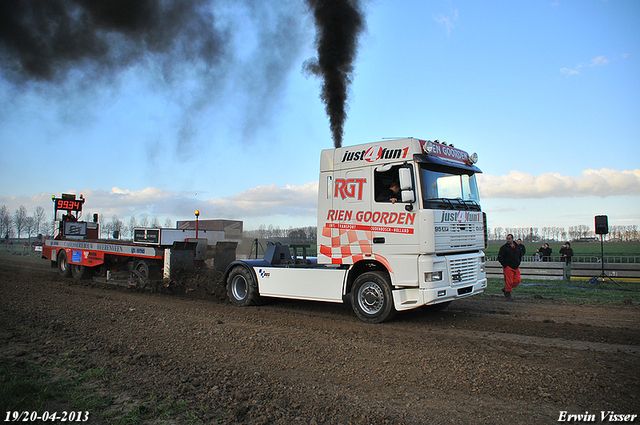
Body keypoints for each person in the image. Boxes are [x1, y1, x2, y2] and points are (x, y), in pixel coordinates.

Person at [498, 234, 522, 300]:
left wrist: (518, 262)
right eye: (507, 239)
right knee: (509, 281)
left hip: (516, 266)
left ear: (512, 239)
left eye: (509, 239)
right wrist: (505, 265)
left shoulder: (517, 247)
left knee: (517, 280)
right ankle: (508, 294)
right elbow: (500, 257)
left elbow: (520, 255)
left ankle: (506, 289)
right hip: (508, 267)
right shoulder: (504, 248)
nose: (508, 240)